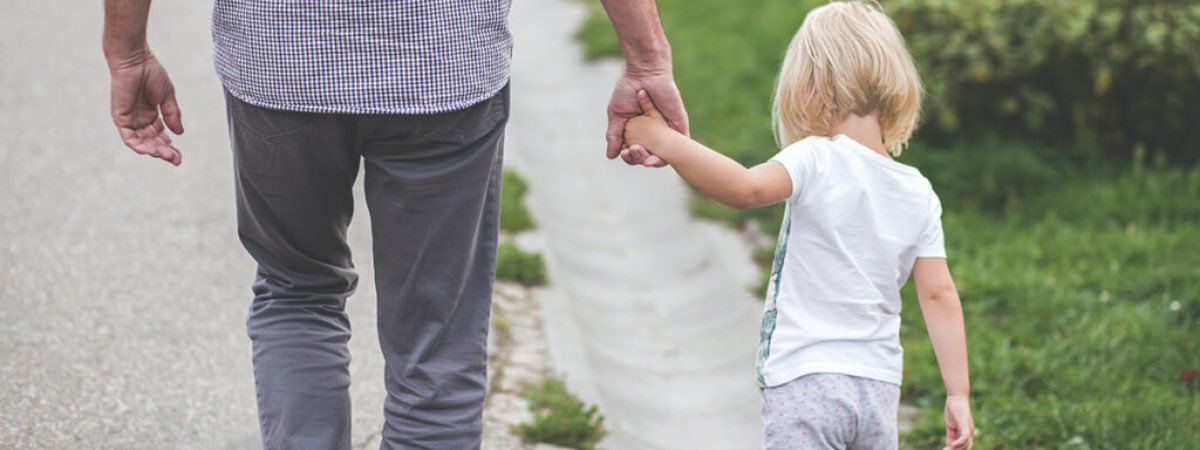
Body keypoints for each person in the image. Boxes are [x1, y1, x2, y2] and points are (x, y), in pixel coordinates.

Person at [101, 0, 687, 448]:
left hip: (278, 59)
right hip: (444, 63)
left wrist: (128, 52)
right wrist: (646, 57)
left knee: (297, 292)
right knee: (438, 338)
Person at [621, 2, 974, 449]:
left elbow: (743, 189)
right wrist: (957, 393)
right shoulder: (918, 191)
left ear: (809, 84)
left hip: (805, 382)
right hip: (878, 389)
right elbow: (939, 295)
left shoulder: (815, 157)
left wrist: (663, 140)